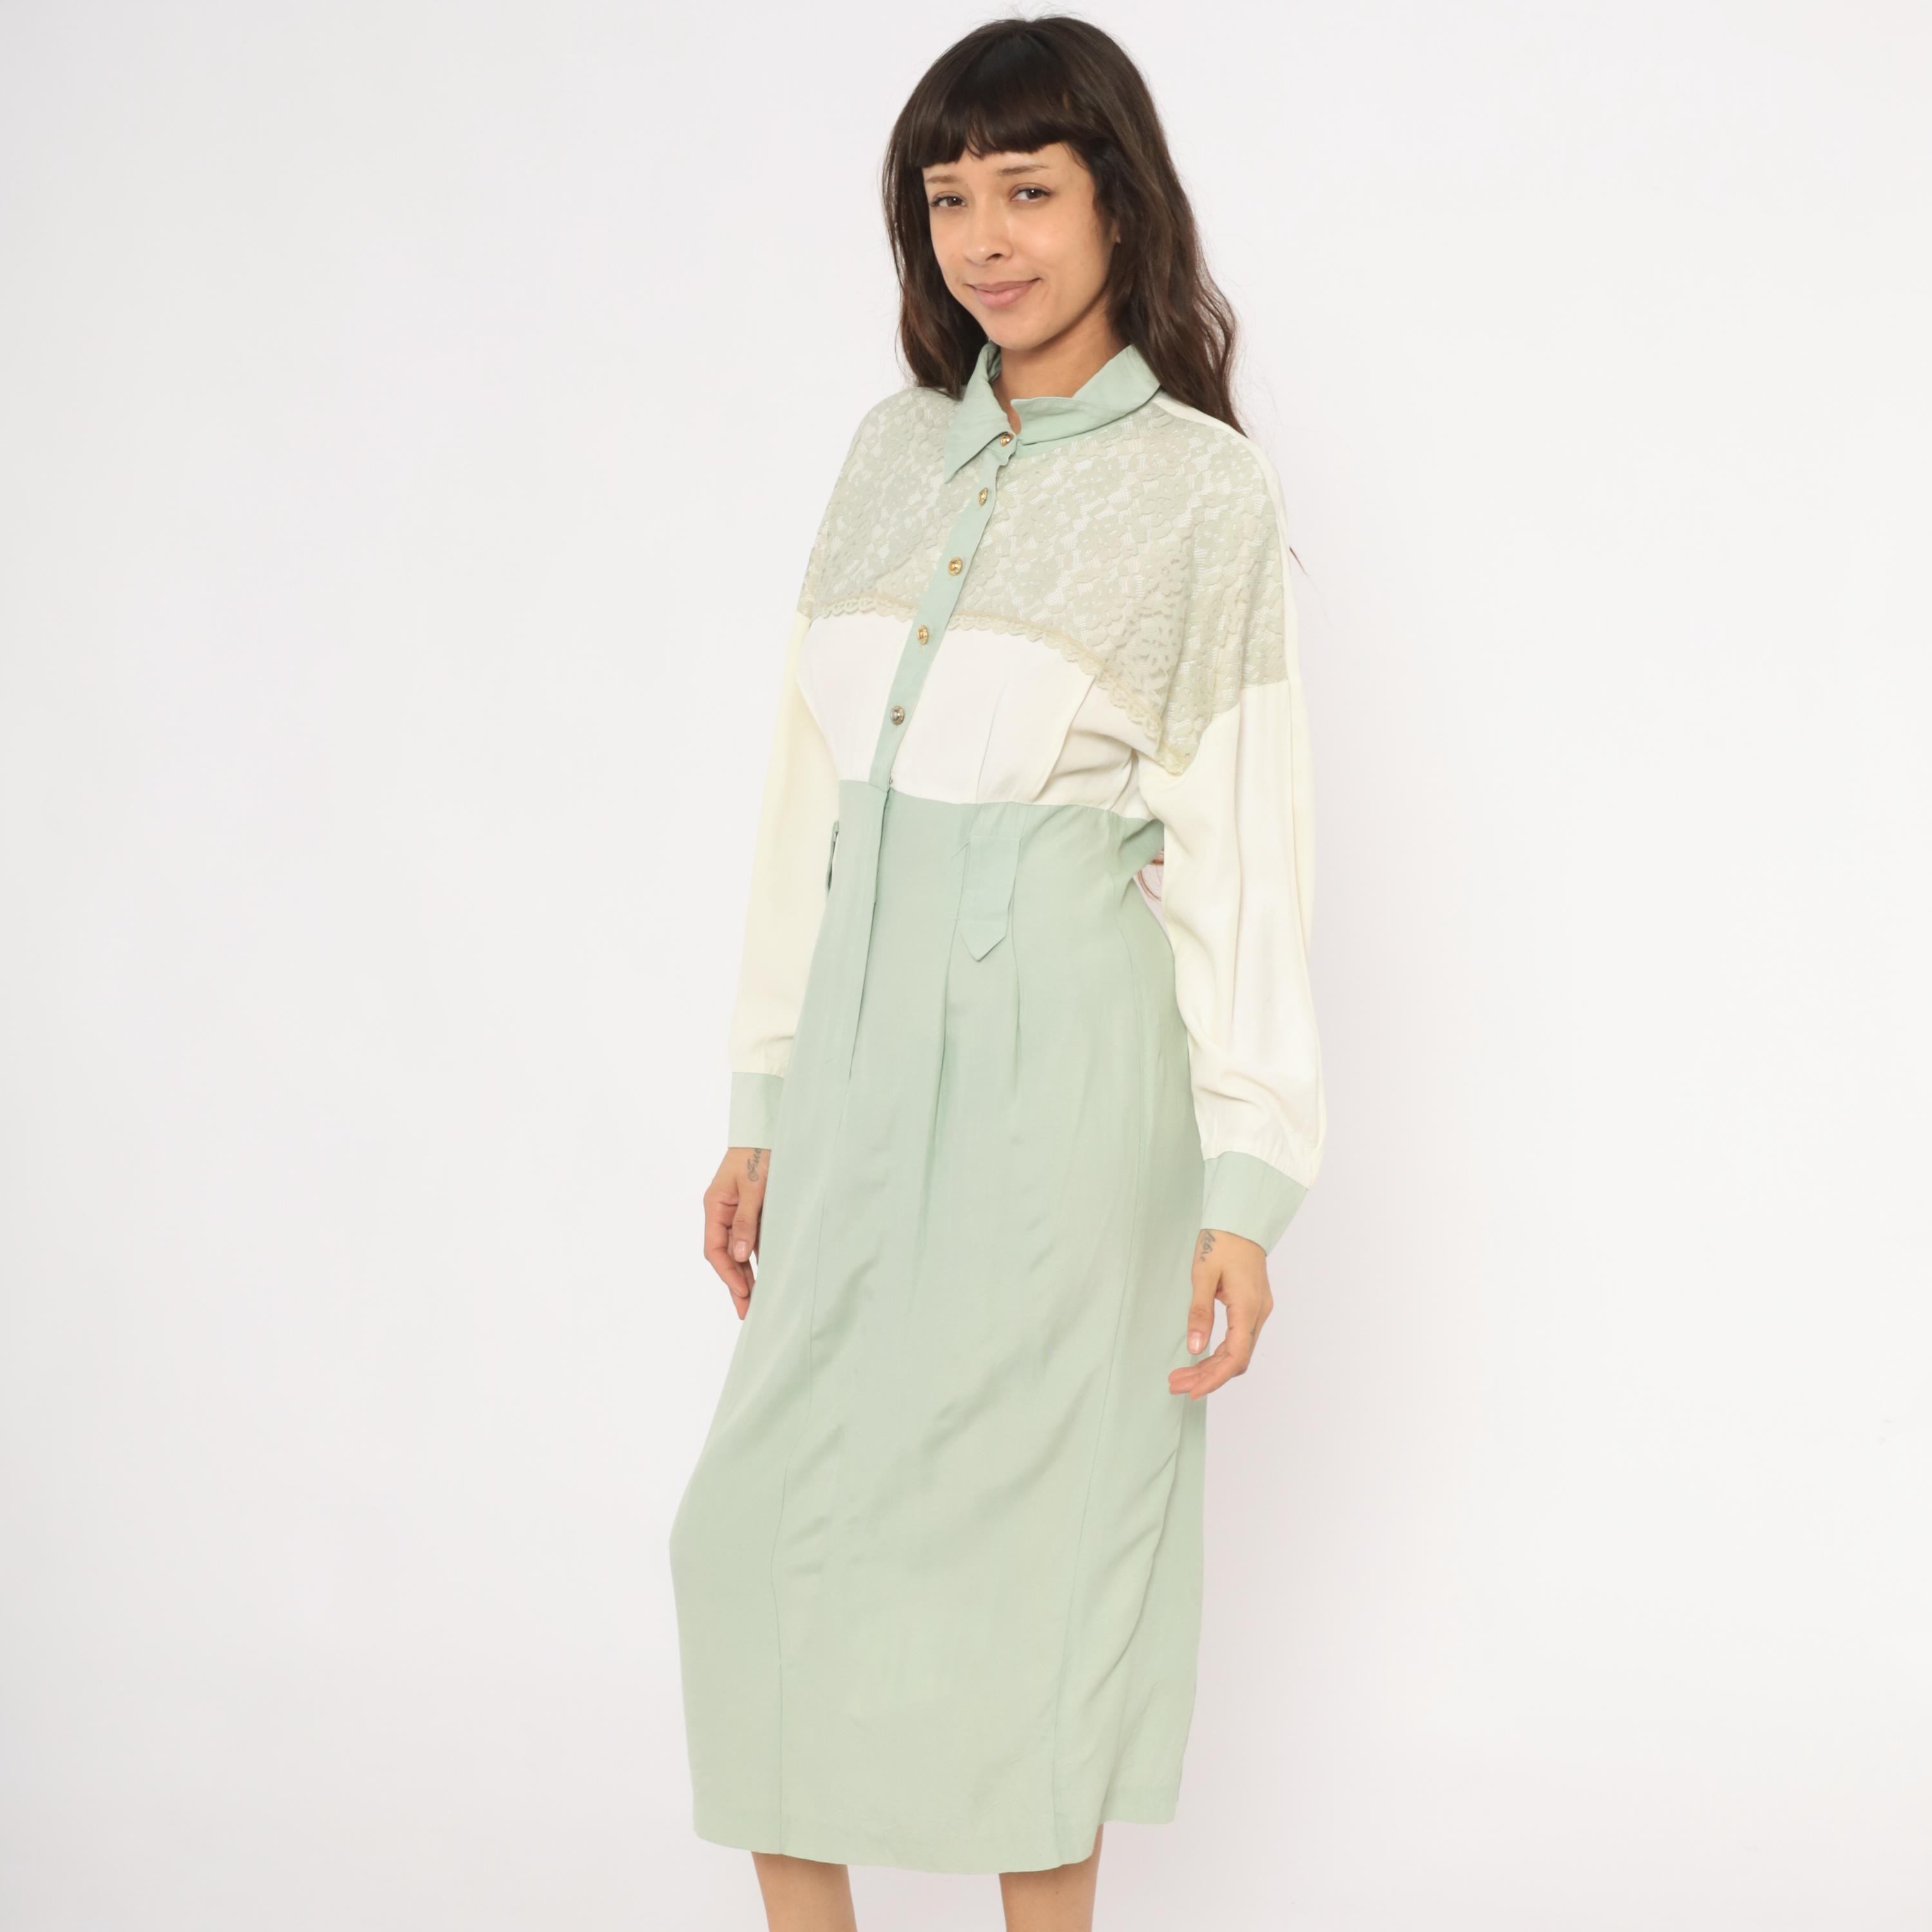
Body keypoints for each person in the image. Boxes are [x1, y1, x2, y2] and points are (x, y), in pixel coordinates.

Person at [668, 17, 1325, 1929]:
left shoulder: (1202, 491)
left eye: (1027, 190)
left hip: (1070, 1073)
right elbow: (809, 801)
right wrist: (764, 1095)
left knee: (1036, 1553)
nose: (985, 239)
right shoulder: (890, 452)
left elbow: (1246, 851)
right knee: (758, 1538)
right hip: (860, 1059)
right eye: (948, 200)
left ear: (1120, 199)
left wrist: (1246, 1185)